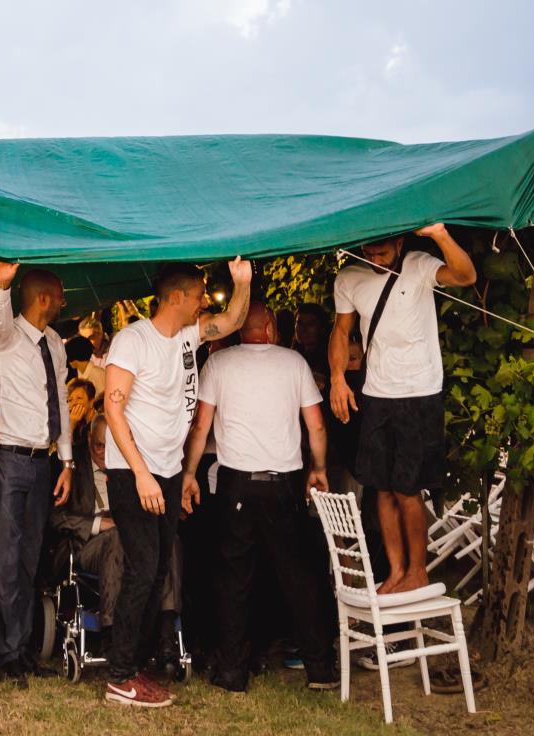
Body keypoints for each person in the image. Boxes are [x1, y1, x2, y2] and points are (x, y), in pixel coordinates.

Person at [98, 259, 253, 709]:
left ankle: (135, 663)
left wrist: (241, 283)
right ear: (178, 297)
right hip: (133, 473)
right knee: (143, 569)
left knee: (159, 571)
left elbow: (232, 320)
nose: (206, 302)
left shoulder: (187, 336)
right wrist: (143, 474)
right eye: (201, 294)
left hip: (166, 472)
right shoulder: (132, 340)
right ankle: (120, 676)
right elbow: (112, 410)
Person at [181, 300, 337, 691]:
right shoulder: (293, 362)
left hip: (235, 481)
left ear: (239, 329)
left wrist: (188, 473)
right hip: (284, 480)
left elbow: (201, 426)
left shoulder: (218, 363)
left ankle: (233, 670)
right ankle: (320, 668)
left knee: (234, 577)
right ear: (270, 327)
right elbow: (315, 426)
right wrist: (318, 468)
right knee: (298, 575)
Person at [329, 224, 476, 594]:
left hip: (419, 392)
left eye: (382, 252)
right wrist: (336, 378)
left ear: (398, 242)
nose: (375, 259)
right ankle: (395, 571)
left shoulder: (419, 264)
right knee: (380, 488)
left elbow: (465, 275)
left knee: (408, 489)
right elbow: (341, 331)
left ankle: (418, 571)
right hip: (377, 393)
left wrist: (440, 235)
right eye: (369, 252)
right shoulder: (349, 278)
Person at [0, 261, 75, 685]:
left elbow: (60, 399)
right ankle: (5, 652)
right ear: (43, 298)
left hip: (44, 462)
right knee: (3, 558)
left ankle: (21, 647)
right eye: (60, 295)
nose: (63, 302)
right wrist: (2, 284)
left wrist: (68, 462)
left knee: (29, 558)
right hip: (8, 460)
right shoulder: (3, 337)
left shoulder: (55, 341)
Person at [51, 417, 182, 649]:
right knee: (117, 536)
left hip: (132, 537)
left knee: (166, 538)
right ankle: (111, 633)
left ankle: (166, 631)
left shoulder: (131, 463)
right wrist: (98, 524)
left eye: (109, 446)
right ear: (89, 440)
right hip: (88, 545)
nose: (103, 452)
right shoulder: (73, 467)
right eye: (98, 446)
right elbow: (55, 517)